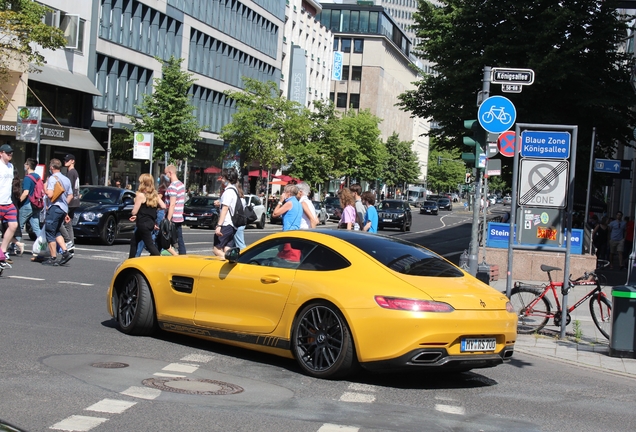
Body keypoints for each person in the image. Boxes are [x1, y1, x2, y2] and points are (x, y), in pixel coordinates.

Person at [42, 158, 74, 266]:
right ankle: (65, 252)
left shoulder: (52, 179)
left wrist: (44, 188)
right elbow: (70, 195)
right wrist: (65, 209)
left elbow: (50, 195)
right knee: (56, 231)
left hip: (54, 207)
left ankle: (53, 257)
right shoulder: (66, 179)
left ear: (51, 167)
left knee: (50, 230)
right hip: (63, 208)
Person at [128, 173, 166, 258]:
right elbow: (163, 206)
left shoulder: (140, 195)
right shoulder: (155, 195)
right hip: (150, 223)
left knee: (149, 245)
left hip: (142, 224)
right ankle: (130, 259)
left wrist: (134, 213)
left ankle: (159, 258)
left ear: (143, 183)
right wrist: (153, 209)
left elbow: (134, 211)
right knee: (134, 241)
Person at [15, 158, 42, 254]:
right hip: (36, 205)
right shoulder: (37, 177)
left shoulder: (28, 178)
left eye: (25, 164)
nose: (24, 165)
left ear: (28, 166)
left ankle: (13, 246)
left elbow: (26, 192)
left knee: (18, 226)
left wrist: (18, 201)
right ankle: (43, 245)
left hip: (27, 205)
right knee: (36, 227)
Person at [213, 169, 239, 257]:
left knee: (217, 249)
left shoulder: (228, 192)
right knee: (227, 249)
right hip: (232, 225)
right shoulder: (234, 191)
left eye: (223, 177)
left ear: (228, 178)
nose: (222, 179)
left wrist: (219, 225)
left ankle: (231, 260)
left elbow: (225, 209)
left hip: (226, 224)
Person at [0, 144, 18, 265]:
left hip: (8, 202)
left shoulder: (11, 166)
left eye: (11, 153)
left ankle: (3, 250)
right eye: (7, 153)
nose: (10, 155)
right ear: (1, 153)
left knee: (13, 225)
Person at [164, 164, 186, 254]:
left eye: (166, 174)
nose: (165, 176)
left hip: (173, 217)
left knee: (166, 239)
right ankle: (182, 255)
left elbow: (172, 204)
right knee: (178, 239)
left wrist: (168, 220)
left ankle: (179, 256)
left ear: (170, 173)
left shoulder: (172, 186)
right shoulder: (181, 185)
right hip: (179, 216)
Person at [60, 154, 79, 252]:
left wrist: (65, 201)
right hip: (75, 201)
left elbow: (69, 188)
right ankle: (70, 243)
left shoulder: (71, 173)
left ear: (73, 161)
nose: (65, 162)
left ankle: (68, 242)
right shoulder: (74, 172)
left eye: (67, 160)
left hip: (70, 201)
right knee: (68, 223)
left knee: (60, 222)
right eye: (65, 160)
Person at [233, 183, 247, 249]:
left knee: (240, 243)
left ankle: (245, 257)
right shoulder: (242, 199)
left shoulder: (239, 199)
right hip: (240, 222)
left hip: (237, 222)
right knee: (234, 243)